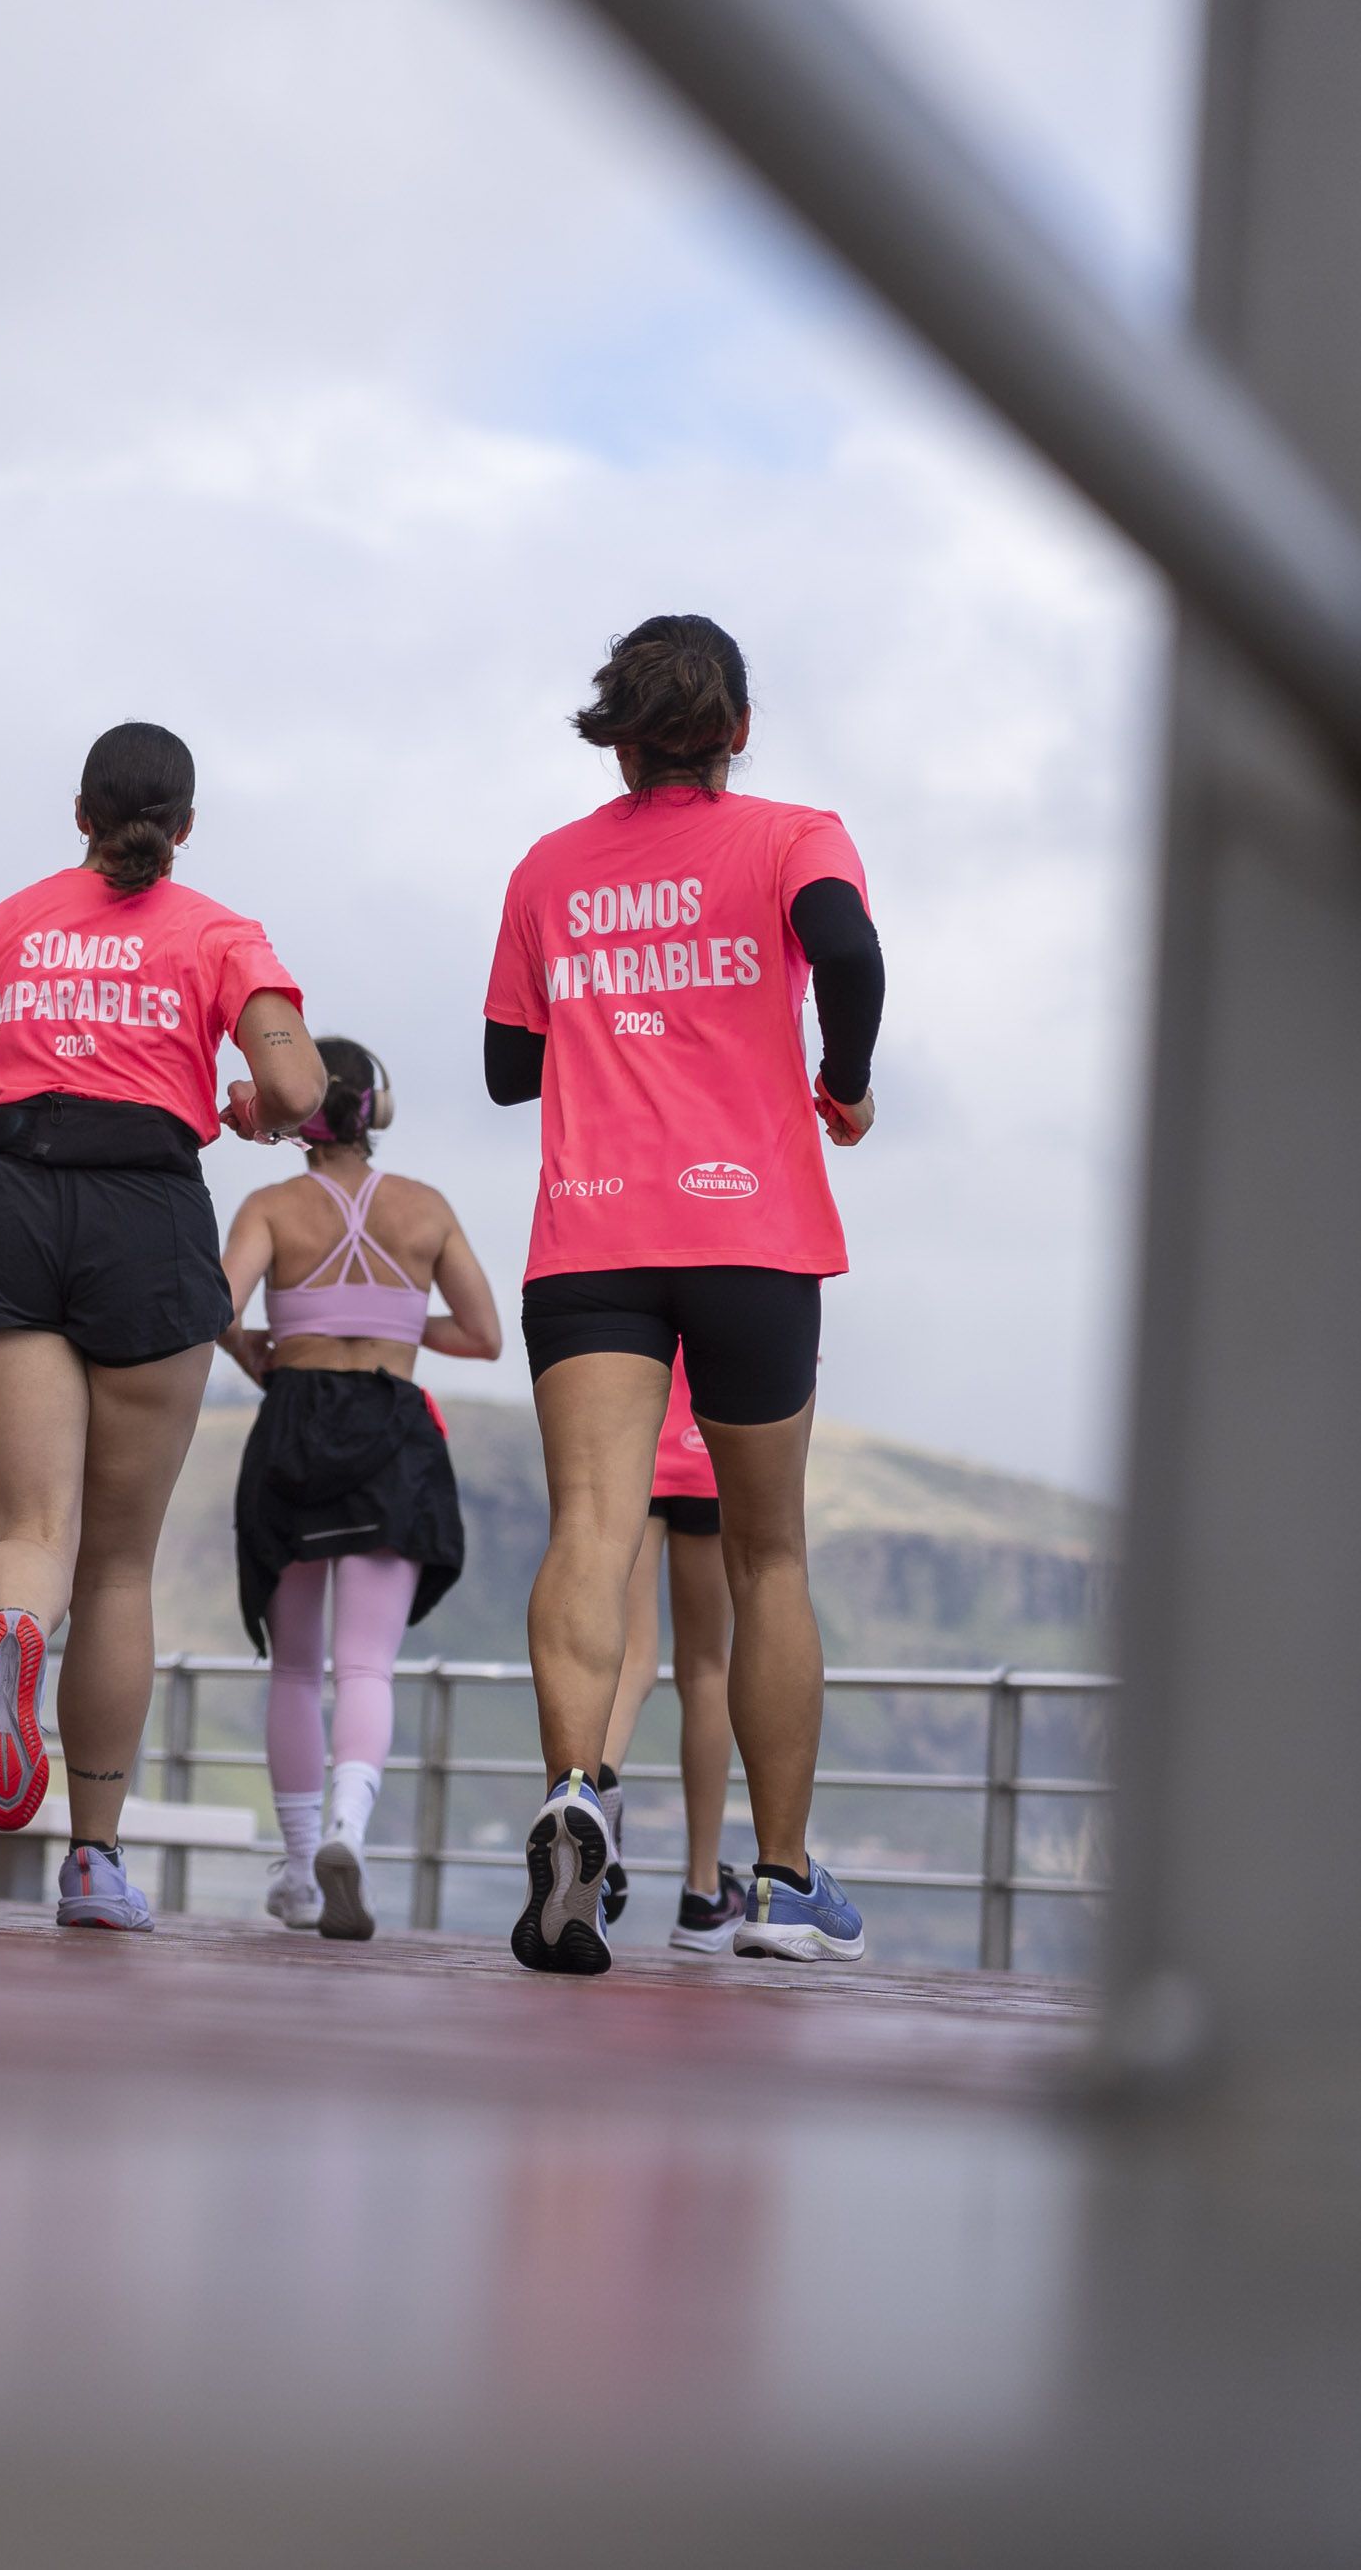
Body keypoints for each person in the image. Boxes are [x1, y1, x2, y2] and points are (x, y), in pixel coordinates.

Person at [484, 613, 882, 1972]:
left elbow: (503, 1064)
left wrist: (615, 1005)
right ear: (738, 730)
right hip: (749, 1230)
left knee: (592, 1524)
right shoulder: (793, 836)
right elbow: (850, 953)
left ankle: (577, 1790)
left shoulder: (547, 868)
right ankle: (774, 1881)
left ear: (621, 735)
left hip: (592, 1232)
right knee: (769, 1557)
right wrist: (839, 1079)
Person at [0, 722, 321, 1933]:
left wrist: (25, 1136)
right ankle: (92, 1860)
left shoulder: (2, 925)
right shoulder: (221, 934)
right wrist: (242, 1103)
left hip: (11, 1205)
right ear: (183, 827)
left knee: (31, 1528)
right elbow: (296, 1091)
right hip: (148, 1213)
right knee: (121, 1561)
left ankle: (13, 1629)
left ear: (78, 813)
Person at [217, 1041, 498, 1941]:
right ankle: (348, 1826)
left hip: (295, 1417)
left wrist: (258, 1345)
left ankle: (301, 1871)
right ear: (374, 1109)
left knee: (296, 1666)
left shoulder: (270, 1205)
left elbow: (217, 1305)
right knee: (366, 1664)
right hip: (390, 1424)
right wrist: (395, 1320)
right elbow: (484, 1334)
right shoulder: (426, 1210)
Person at [595, 1352, 750, 1948]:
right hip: (709, 1451)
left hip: (631, 1448)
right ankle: (703, 1893)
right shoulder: (748, 1260)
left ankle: (592, 1805)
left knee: (630, 1656)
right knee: (708, 1668)